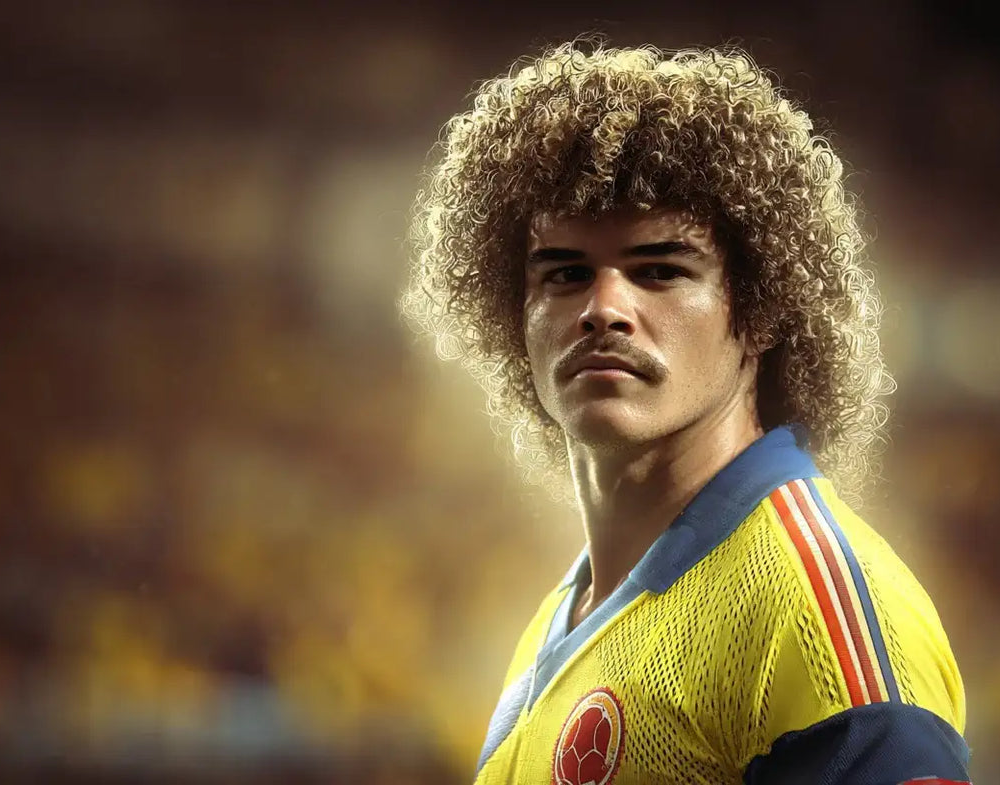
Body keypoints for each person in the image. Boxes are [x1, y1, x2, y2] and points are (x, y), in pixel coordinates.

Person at [400, 40, 970, 785]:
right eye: (566, 273)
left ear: (761, 310)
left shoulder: (813, 614)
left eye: (660, 270)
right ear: (514, 316)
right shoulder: (557, 626)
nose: (604, 308)